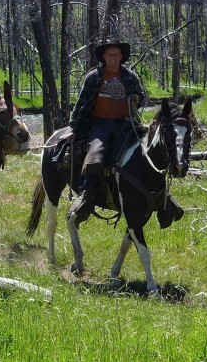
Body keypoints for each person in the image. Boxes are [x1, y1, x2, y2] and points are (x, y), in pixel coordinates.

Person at [65, 39, 183, 226]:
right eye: (110, 54)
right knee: (95, 157)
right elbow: (81, 104)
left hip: (126, 123)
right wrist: (73, 128)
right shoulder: (94, 76)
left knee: (152, 152)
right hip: (100, 124)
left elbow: (141, 97)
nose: (113, 57)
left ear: (121, 57)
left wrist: (136, 98)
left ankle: (164, 197)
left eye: (116, 54)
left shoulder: (130, 76)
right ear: (104, 57)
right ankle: (86, 194)